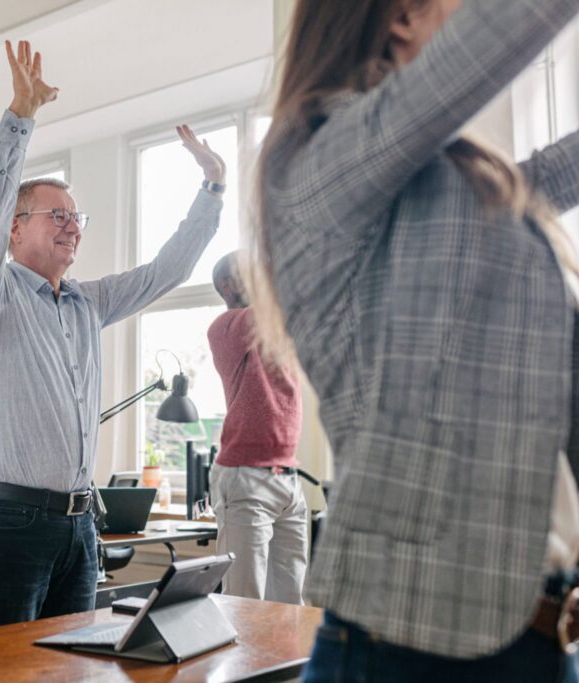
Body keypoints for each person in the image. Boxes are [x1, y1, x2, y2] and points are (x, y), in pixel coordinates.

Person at [251, 0, 579, 679]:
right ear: (402, 15)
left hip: (535, 633)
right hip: (408, 647)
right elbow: (508, 26)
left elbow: (550, 173)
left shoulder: (446, 188)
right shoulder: (312, 159)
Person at [0, 39, 226, 629]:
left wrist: (212, 191)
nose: (72, 227)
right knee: (7, 670)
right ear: (15, 231)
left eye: (76, 218)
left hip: (82, 524)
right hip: (11, 522)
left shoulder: (89, 301)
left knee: (71, 666)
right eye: (57, 215)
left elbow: (167, 273)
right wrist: (20, 117)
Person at [206, 252, 306, 605]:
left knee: (290, 606)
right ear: (227, 285)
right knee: (243, 605)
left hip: (287, 479)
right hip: (245, 477)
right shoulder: (226, 327)